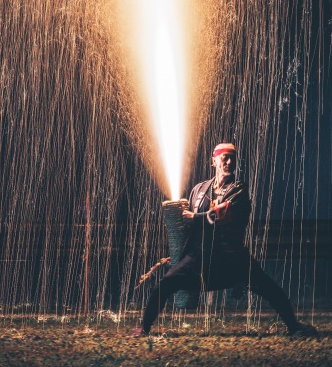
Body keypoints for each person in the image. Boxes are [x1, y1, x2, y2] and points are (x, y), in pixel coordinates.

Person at [131, 142, 317, 337]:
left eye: (232, 159)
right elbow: (189, 225)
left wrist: (195, 217)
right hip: (199, 258)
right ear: (214, 161)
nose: (229, 162)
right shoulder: (199, 189)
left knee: (270, 289)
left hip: (230, 257)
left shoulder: (239, 189)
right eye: (224, 158)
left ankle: (295, 327)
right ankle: (144, 327)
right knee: (166, 283)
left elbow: (223, 214)